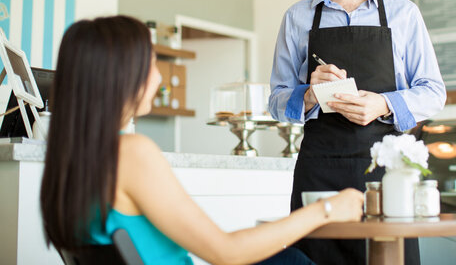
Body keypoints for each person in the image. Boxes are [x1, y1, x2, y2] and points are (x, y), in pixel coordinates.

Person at [40, 15, 364, 265]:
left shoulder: (73, 159)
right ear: (120, 76)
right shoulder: (130, 154)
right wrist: (328, 209)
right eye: (151, 64)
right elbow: (226, 253)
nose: (158, 77)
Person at [268, 0, 446, 265]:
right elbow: (276, 101)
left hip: (386, 171)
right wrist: (310, 94)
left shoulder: (403, 14)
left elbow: (434, 93)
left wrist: (382, 104)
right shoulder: (297, 18)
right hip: (319, 170)